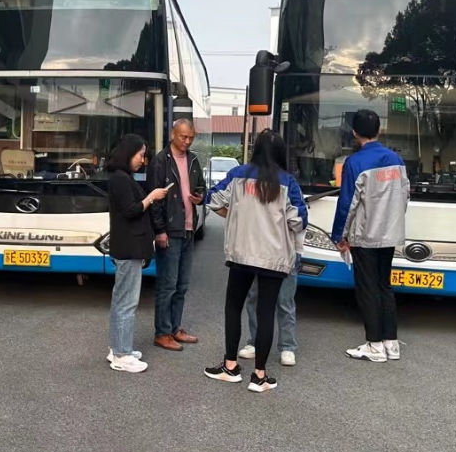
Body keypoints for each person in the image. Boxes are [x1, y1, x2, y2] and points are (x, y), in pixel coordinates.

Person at [204, 130, 306, 392]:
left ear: (256, 148)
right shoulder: (288, 182)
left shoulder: (238, 175)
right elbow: (299, 220)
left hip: (241, 253)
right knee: (266, 312)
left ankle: (230, 366)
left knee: (233, 307)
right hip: (274, 257)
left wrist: (233, 214)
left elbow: (212, 198)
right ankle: (260, 376)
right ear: (281, 152)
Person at [332, 109, 410, 363]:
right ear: (379, 130)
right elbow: (404, 196)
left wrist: (339, 235)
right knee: (384, 286)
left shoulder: (354, 162)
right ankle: (391, 344)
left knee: (367, 289)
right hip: (390, 233)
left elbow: (347, 204)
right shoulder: (396, 160)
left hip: (365, 235)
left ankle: (374, 345)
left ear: (355, 132)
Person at [105, 134, 171, 373]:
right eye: (140, 155)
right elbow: (131, 211)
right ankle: (121, 354)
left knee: (121, 301)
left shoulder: (121, 177)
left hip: (127, 246)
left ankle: (119, 348)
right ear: (128, 153)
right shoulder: (120, 179)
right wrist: (151, 197)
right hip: (128, 247)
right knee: (126, 302)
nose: (142, 160)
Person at [147, 119, 205, 351]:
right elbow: (154, 200)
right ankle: (162, 333)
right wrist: (159, 230)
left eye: (191, 137)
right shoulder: (160, 161)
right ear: (172, 134)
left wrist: (201, 197)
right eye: (183, 136)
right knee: (167, 285)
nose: (187, 141)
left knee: (182, 285)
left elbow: (201, 188)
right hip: (170, 231)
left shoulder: (193, 160)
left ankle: (174, 328)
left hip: (189, 228)